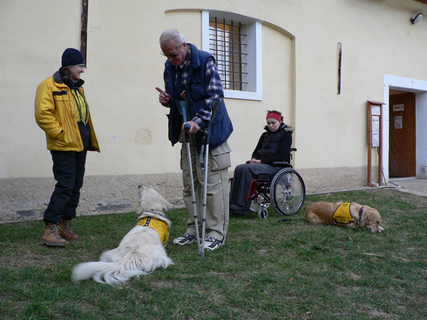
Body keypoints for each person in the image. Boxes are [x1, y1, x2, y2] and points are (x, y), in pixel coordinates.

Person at [155, 29, 233, 251]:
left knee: (212, 186)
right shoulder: (170, 67)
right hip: (186, 131)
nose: (171, 59)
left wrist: (199, 120)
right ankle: (194, 229)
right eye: (167, 55)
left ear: (184, 45)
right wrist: (166, 99)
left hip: (211, 131)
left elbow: (215, 95)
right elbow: (177, 100)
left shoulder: (204, 61)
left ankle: (215, 233)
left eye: (173, 53)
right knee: (190, 184)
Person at [35, 48, 100, 247]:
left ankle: (65, 225)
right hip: (64, 144)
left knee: (75, 185)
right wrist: (61, 134)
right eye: (80, 66)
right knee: (65, 184)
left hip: (80, 143)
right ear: (69, 66)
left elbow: (80, 115)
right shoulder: (48, 85)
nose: (82, 70)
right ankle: (50, 229)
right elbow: (43, 114)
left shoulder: (77, 88)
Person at [229, 110, 293, 215]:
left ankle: (242, 206)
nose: (271, 125)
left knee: (246, 169)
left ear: (280, 121)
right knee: (240, 168)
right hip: (262, 165)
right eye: (268, 123)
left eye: (273, 123)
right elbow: (256, 151)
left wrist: (261, 161)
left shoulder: (286, 135)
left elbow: (281, 155)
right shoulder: (265, 135)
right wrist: (254, 159)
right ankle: (232, 204)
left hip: (277, 166)